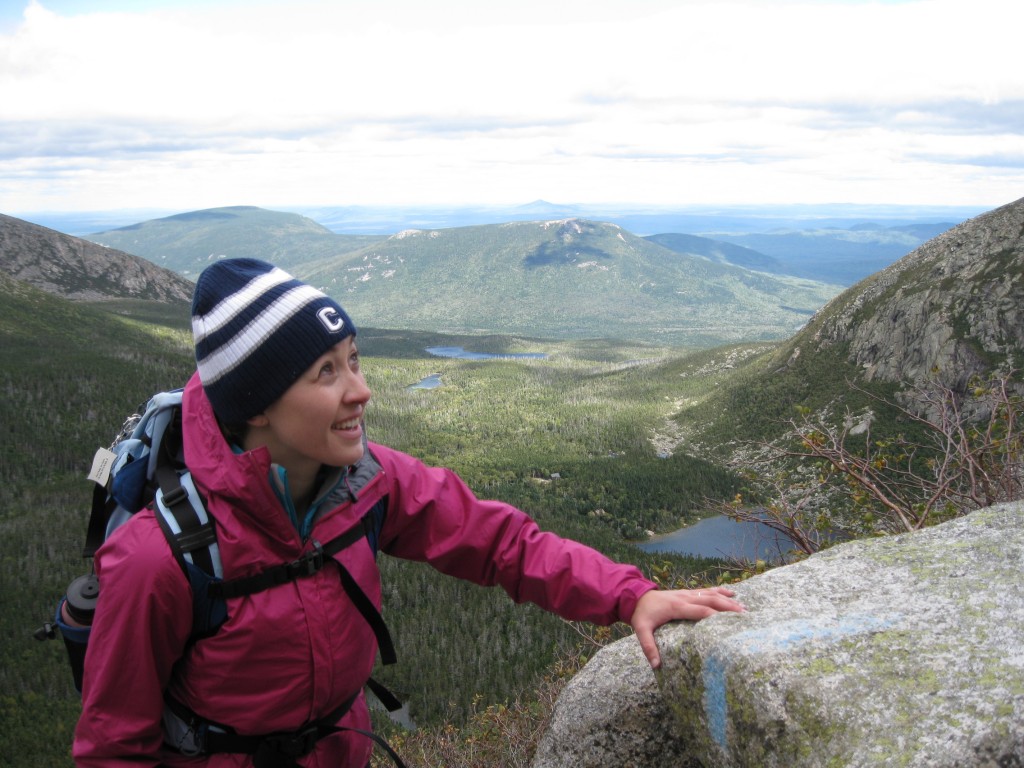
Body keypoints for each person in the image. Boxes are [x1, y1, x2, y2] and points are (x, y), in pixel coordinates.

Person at [73, 258, 744, 767]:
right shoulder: (159, 559)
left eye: (355, 361)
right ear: (257, 405)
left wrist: (630, 597)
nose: (361, 390)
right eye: (326, 374)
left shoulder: (369, 480)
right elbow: (112, 747)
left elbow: (500, 543)